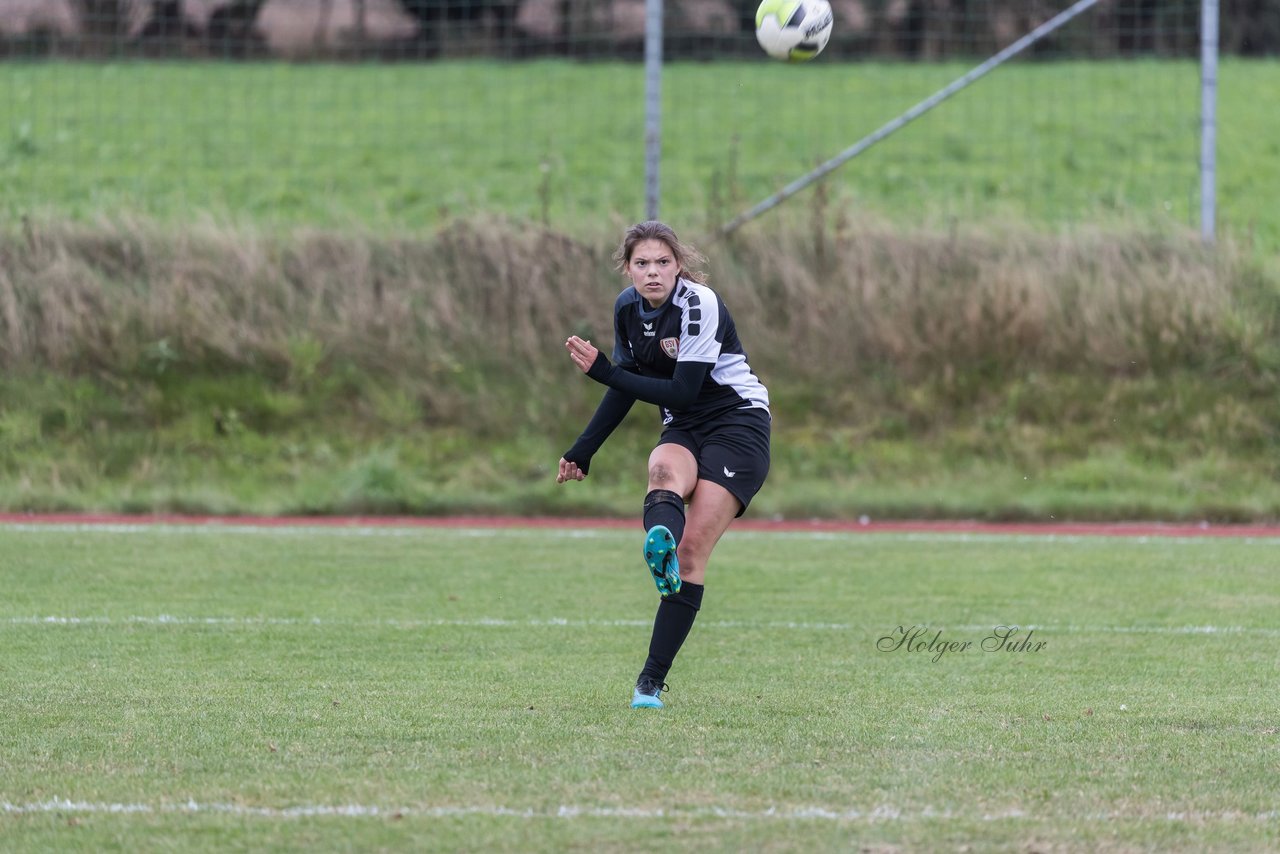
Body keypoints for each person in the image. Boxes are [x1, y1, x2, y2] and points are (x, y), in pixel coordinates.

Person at [556, 221, 771, 709]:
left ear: (679, 266)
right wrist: (583, 449)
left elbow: (682, 389)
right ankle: (661, 547)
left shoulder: (699, 304)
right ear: (627, 268)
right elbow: (626, 383)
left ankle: (650, 681)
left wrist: (605, 371)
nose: (652, 272)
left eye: (662, 262)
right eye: (642, 263)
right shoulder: (627, 308)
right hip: (685, 426)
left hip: (738, 423)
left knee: (695, 552)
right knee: (662, 474)